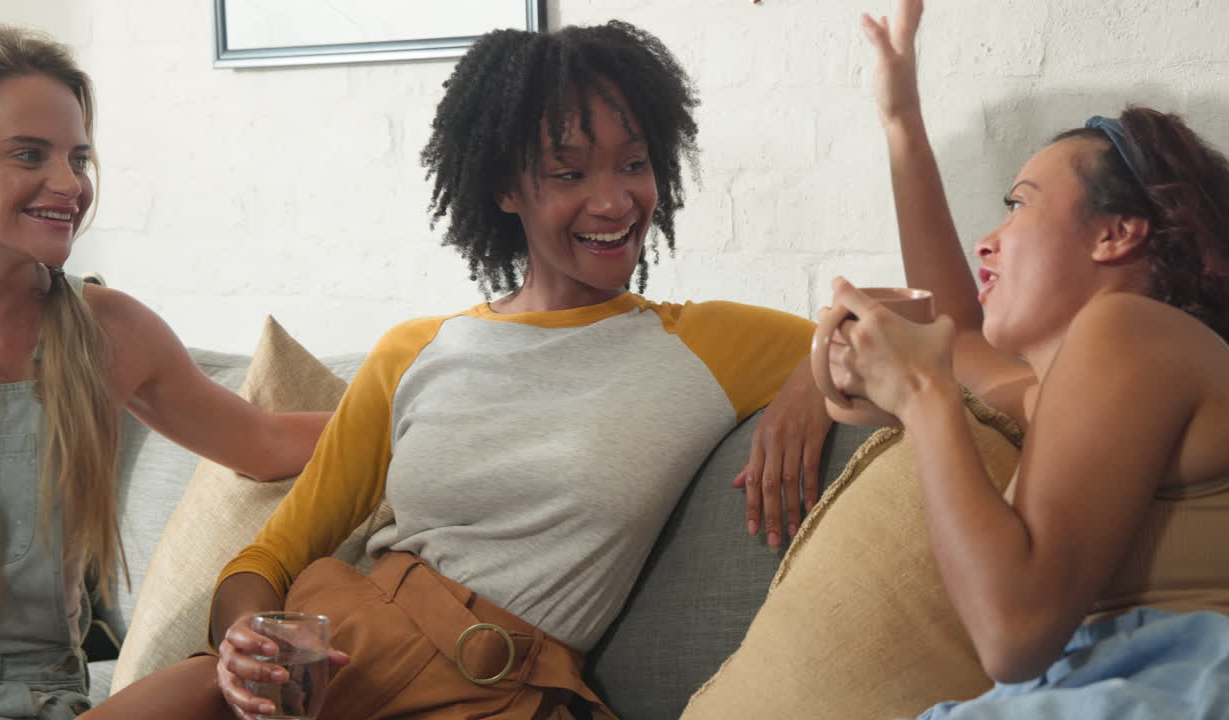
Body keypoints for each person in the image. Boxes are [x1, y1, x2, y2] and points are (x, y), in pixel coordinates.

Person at [91, 19, 831, 720]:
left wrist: (814, 376)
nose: (613, 200)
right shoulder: (413, 352)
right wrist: (245, 642)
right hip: (329, 665)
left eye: (633, 165)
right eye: (568, 172)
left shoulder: (705, 345)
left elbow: (917, 334)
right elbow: (273, 553)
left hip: (493, 692)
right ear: (504, 189)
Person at [819, 0, 1229, 715]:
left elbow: (1014, 635)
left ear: (1115, 235)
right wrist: (901, 121)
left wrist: (923, 394)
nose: (990, 238)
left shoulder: (1132, 330)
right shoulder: (1068, 383)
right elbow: (957, 333)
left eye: (1019, 205)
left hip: (1172, 683)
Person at [0, 24, 330, 720]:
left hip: (52, 696)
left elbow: (264, 445)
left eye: (79, 158)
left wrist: (415, 409)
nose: (68, 185)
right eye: (30, 154)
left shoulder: (107, 332)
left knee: (226, 683)